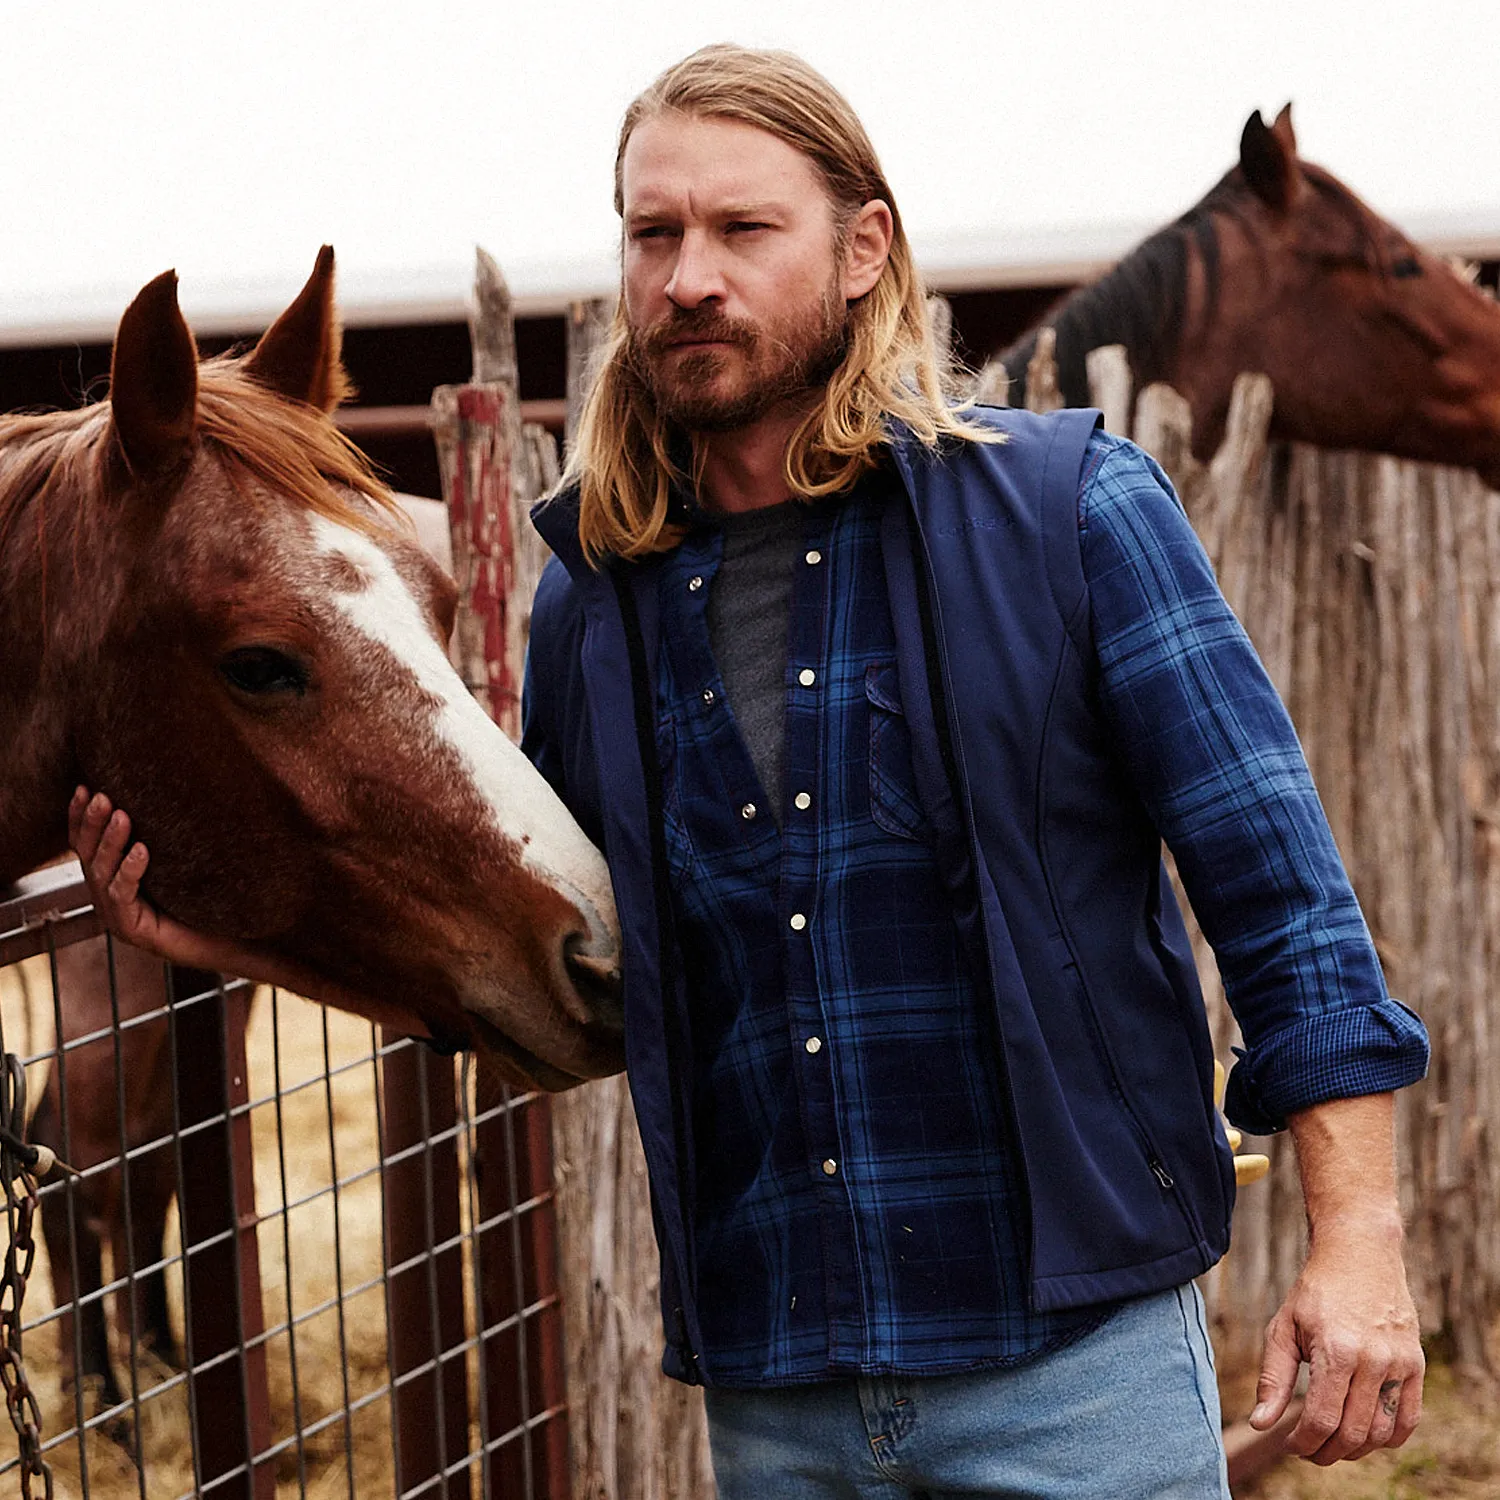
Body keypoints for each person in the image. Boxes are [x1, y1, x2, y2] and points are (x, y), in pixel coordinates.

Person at [74, 44, 1430, 1500]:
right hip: (783, 1414)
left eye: (742, 230)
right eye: (654, 235)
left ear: (863, 250)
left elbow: (1283, 901)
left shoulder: (1071, 518)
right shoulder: (595, 602)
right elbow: (569, 986)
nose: (688, 278)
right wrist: (211, 941)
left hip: (1074, 1382)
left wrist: (1356, 1248)